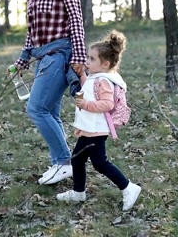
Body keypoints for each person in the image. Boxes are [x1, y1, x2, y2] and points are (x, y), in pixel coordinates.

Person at [10, 0, 87, 185]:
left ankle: (64, 162)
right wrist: (23, 60)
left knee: (37, 109)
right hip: (43, 57)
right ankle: (59, 163)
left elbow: (76, 20)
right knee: (50, 111)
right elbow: (31, 33)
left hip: (60, 54)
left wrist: (79, 57)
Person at [56, 30, 141, 211]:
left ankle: (128, 187)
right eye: (88, 57)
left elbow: (107, 104)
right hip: (89, 129)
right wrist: (81, 73)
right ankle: (78, 193)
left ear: (105, 64)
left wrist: (86, 104)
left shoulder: (104, 81)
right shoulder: (96, 77)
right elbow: (89, 84)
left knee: (100, 163)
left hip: (97, 130)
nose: (87, 61)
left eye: (91, 59)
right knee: (77, 160)